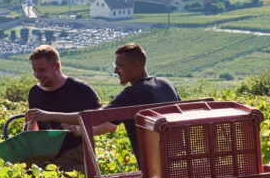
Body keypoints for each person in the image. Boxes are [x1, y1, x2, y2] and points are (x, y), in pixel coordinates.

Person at [25, 42, 179, 168]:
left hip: (155, 167)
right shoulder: (166, 84)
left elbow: (95, 118)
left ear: (136, 65)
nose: (115, 70)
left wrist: (49, 115)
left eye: (120, 66)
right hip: (176, 157)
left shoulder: (134, 93)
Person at [25, 45, 101, 172]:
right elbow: (34, 129)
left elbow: (109, 125)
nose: (37, 75)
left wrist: (80, 130)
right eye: (34, 70)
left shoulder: (81, 90)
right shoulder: (34, 92)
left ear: (56, 66)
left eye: (42, 70)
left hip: (75, 161)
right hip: (43, 160)